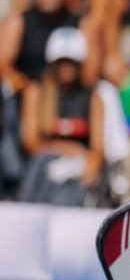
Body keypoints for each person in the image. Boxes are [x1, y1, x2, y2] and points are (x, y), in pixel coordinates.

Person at [17, 26, 107, 206]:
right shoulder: (36, 93)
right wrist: (66, 148)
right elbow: (31, 143)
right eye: (61, 62)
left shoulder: (93, 98)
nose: (66, 68)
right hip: (43, 169)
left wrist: (90, 162)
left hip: (78, 169)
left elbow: (98, 149)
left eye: (71, 62)